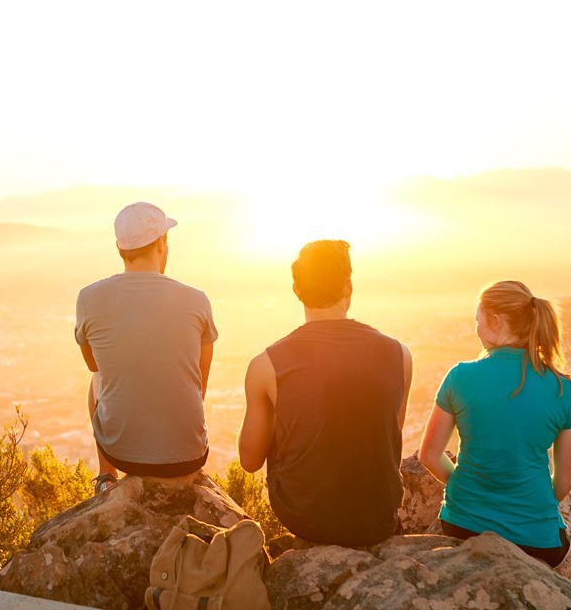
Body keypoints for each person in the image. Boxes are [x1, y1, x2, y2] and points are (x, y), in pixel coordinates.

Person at [237, 240, 413, 546]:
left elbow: (250, 461)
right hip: (378, 518)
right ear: (349, 287)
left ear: (297, 290)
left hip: (305, 517)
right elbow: (390, 433)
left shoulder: (266, 365)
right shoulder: (399, 354)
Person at [418, 280, 571, 568]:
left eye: (477, 319)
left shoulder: (460, 376)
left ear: (495, 321)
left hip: (462, 527)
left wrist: (467, 488)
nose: (476, 327)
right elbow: (567, 480)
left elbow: (429, 456)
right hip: (536, 542)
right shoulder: (563, 389)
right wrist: (531, 508)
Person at [74, 202, 218, 493]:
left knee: (97, 379)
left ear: (119, 247)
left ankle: (106, 477)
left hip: (122, 454)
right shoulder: (197, 299)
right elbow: (199, 381)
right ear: (162, 243)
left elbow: (94, 365)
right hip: (188, 456)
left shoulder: (88, 298)